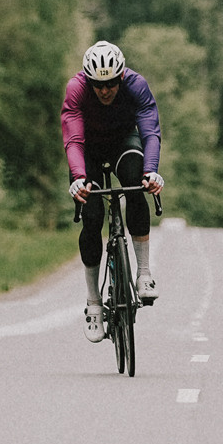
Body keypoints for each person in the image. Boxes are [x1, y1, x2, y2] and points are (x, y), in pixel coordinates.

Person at [62, 39, 163, 340]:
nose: (104, 91)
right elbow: (73, 139)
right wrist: (79, 177)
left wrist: (152, 171)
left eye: (109, 84)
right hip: (88, 151)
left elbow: (150, 131)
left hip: (123, 143)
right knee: (92, 216)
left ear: (120, 77)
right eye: (98, 85)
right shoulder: (77, 89)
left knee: (135, 183)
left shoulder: (136, 85)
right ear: (88, 80)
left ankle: (144, 273)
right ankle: (94, 303)